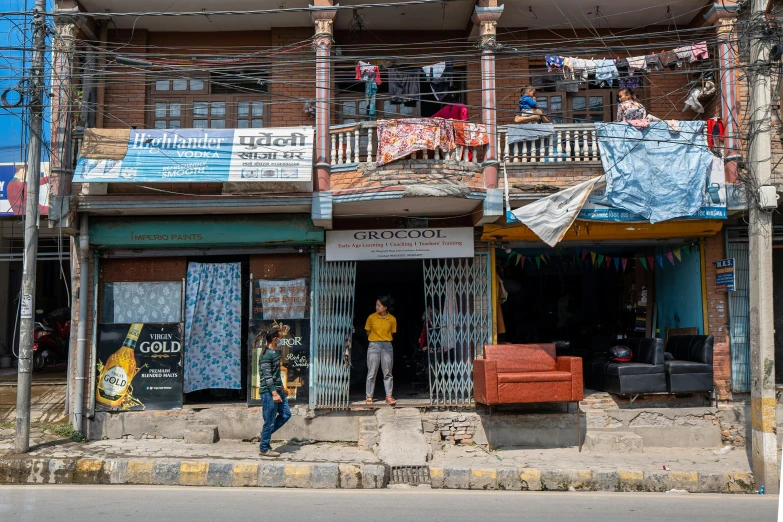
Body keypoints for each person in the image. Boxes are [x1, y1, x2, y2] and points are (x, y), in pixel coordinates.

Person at [257, 329, 291, 458]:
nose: (281, 339)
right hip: (269, 392)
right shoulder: (266, 354)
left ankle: (265, 434)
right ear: (274, 339)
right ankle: (264, 448)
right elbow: (267, 376)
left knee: (286, 414)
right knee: (269, 420)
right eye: (280, 337)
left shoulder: (274, 353)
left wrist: (282, 389)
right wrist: (274, 393)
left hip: (277, 390)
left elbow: (276, 375)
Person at [365, 295, 397, 405]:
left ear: (385, 307)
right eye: (376, 305)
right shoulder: (371, 317)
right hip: (374, 345)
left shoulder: (392, 319)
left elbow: (392, 333)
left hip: (387, 346)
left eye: (379, 305)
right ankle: (369, 396)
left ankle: (389, 396)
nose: (376, 307)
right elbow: (368, 332)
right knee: (372, 371)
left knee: (387, 372)